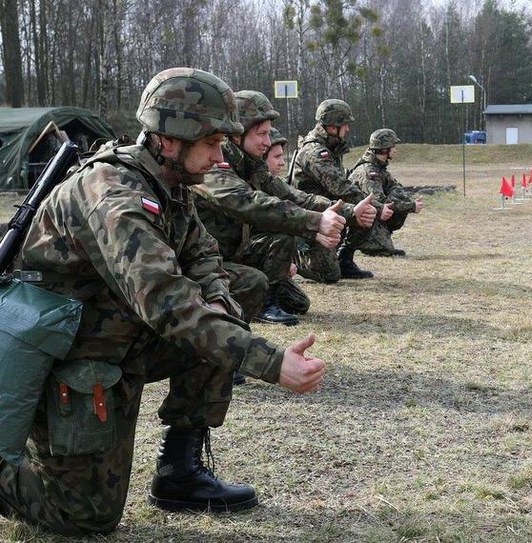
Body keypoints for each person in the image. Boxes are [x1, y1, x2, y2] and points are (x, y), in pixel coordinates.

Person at [0, 68, 326, 536]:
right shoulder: (115, 196)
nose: (219, 157)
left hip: (119, 347)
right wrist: (270, 363)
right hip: (70, 363)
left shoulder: (169, 184)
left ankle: (180, 472)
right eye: (211, 143)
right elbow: (166, 302)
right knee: (85, 516)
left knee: (218, 322)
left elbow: (204, 254)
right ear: (170, 140)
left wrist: (218, 302)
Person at [191, 90, 372, 326]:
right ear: (237, 134)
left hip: (234, 252)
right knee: (257, 276)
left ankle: (263, 296)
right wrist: (315, 222)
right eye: (262, 134)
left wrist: (348, 211)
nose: (267, 142)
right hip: (207, 260)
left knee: (298, 303)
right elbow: (249, 203)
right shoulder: (216, 165)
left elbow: (293, 196)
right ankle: (260, 304)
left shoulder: (249, 164)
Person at [291, 99, 393, 281]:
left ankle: (344, 258)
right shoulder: (315, 152)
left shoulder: (330, 149)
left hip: (328, 210)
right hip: (311, 217)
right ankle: (294, 257)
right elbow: (341, 187)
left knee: (365, 213)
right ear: (332, 127)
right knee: (329, 275)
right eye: (345, 125)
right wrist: (377, 205)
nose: (347, 130)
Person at [348, 128, 423, 257]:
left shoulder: (379, 168)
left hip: (370, 212)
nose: (395, 150)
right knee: (385, 250)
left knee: (399, 195)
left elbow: (395, 187)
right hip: (357, 216)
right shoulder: (369, 171)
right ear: (384, 149)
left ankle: (380, 238)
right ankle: (368, 243)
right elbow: (379, 202)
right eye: (393, 146)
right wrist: (411, 206)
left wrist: (405, 201)